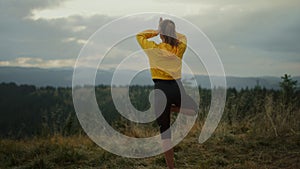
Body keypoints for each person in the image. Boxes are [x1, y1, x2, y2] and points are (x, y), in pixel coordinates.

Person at [136, 17, 198, 169]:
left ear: (162, 35)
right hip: (177, 87)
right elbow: (183, 37)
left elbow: (139, 36)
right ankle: (172, 108)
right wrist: (169, 30)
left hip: (161, 90)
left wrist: (157, 30)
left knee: (165, 132)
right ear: (173, 34)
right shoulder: (180, 48)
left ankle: (171, 167)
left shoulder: (153, 48)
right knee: (193, 110)